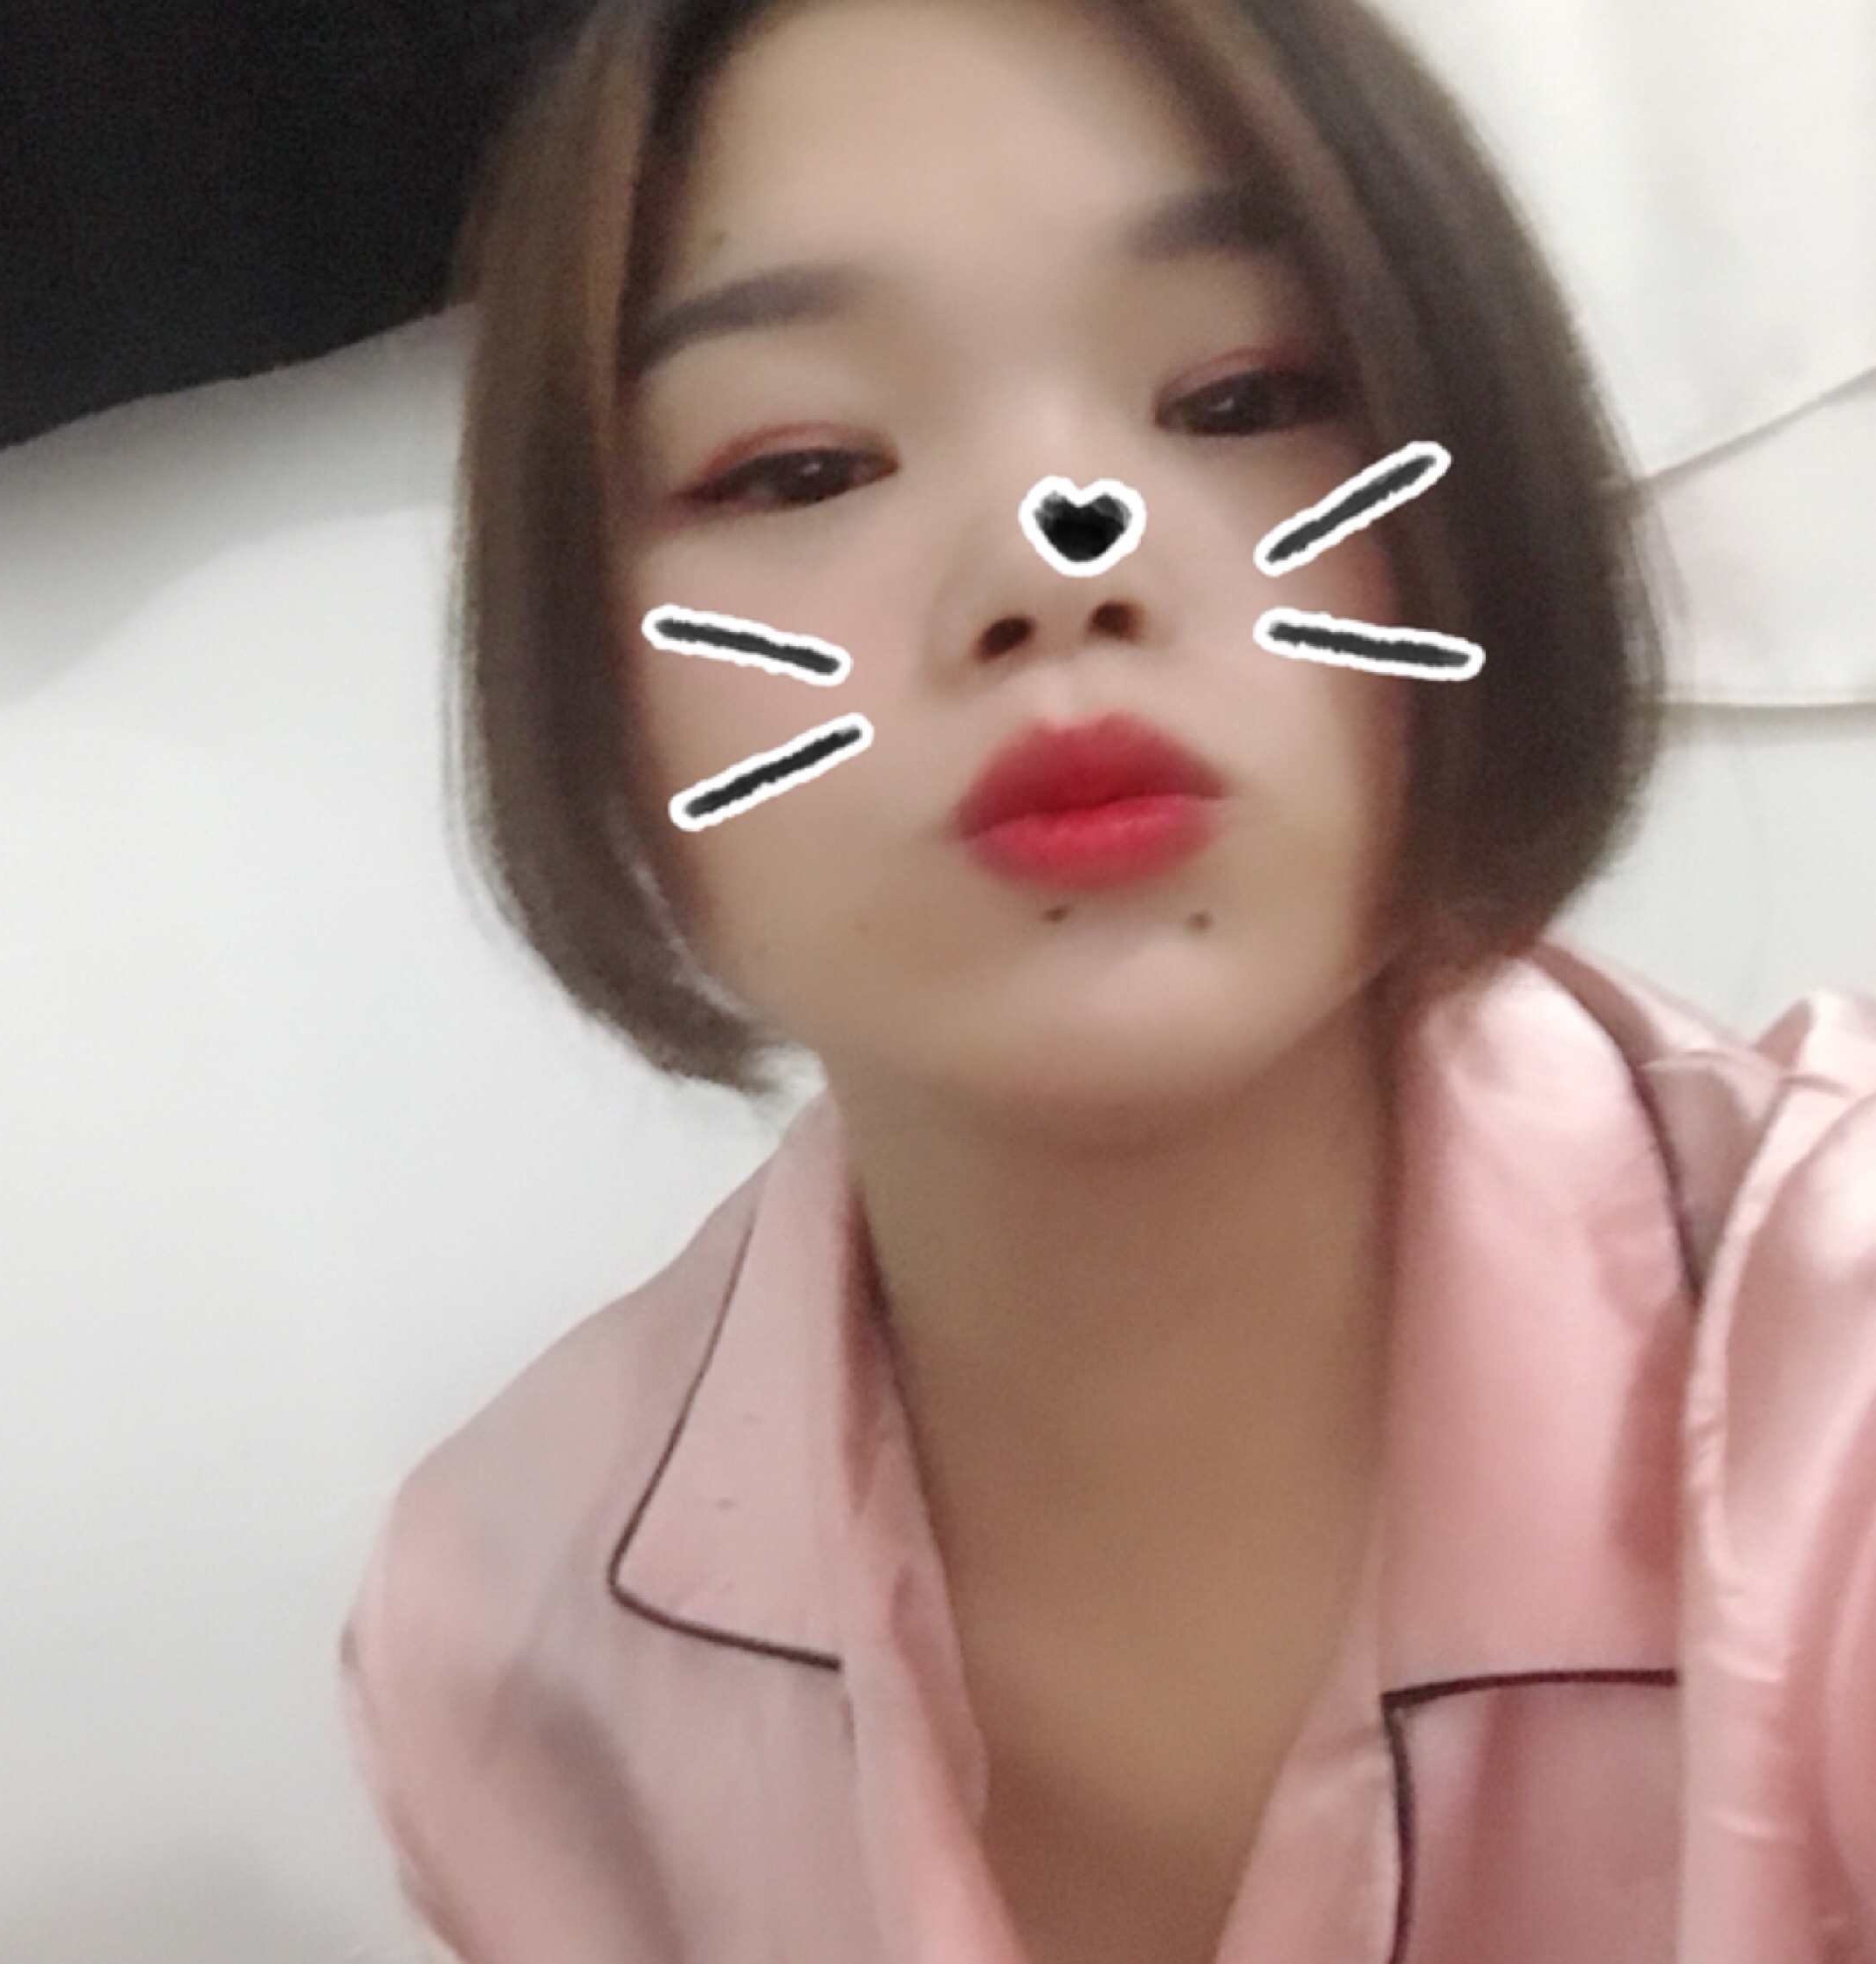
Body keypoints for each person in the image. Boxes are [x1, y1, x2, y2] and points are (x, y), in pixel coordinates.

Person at [336, 0, 1876, 1958]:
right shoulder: (515, 1652)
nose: (1062, 559)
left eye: (1240, 398)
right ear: (583, 684)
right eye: (801, 468)